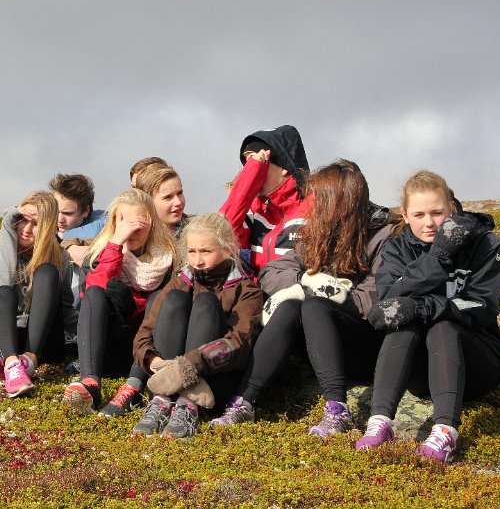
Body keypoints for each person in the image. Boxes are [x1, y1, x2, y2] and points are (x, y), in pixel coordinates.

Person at [210, 160, 394, 437]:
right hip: (319, 342)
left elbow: (371, 301)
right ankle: (244, 401)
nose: (313, 206)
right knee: (291, 305)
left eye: (320, 199)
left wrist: (325, 294)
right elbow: (272, 272)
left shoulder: (383, 236)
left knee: (315, 305)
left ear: (341, 202)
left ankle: (338, 410)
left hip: (364, 345)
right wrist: (304, 280)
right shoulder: (320, 232)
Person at [356, 170, 500, 463]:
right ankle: (379, 422)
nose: (429, 223)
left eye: (437, 213)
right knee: (403, 324)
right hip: (423, 371)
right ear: (405, 215)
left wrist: (425, 307)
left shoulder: (485, 244)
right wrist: (438, 254)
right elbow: (389, 302)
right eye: (419, 214)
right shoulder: (397, 247)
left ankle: (445, 431)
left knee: (444, 326)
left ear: (451, 208)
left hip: (478, 363)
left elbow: (482, 307)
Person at [129, 213, 264, 438]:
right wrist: (155, 361)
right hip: (165, 378)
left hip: (213, 383)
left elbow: (238, 344)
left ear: (227, 249)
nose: (197, 261)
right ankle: (162, 402)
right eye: (192, 251)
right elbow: (145, 332)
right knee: (174, 299)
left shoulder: (247, 290)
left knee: (205, 302)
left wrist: (189, 365)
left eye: (206, 251)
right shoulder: (179, 281)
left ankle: (188, 406)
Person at [62, 188, 179, 415]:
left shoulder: (167, 257)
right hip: (104, 348)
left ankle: (133, 387)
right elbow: (94, 290)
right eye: (124, 221)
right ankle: (90, 382)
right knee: (96, 292)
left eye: (138, 222)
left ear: (151, 223)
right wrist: (115, 243)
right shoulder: (100, 252)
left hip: (142, 354)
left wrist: (133, 306)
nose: (131, 230)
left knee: (159, 298)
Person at [0, 191, 74, 398]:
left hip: (40, 345)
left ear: (47, 227)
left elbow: (64, 309)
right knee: (4, 292)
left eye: (35, 224)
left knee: (47, 271)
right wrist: (8, 227)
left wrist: (83, 338)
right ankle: (12, 365)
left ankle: (28, 360)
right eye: (21, 220)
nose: (26, 229)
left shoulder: (59, 256)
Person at [218, 125, 310, 273]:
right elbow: (221, 235)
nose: (255, 173)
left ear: (284, 166)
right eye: (248, 166)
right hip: (260, 287)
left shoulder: (314, 206)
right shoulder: (256, 209)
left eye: (260, 164)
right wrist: (250, 176)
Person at [49, 173, 105, 351]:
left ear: (86, 211)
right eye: (55, 210)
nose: (59, 219)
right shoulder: (46, 226)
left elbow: (106, 223)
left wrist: (66, 239)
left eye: (67, 213)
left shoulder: (102, 222)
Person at [134, 165, 188, 237]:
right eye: (168, 197)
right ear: (148, 203)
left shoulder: (199, 232)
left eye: (179, 193)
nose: (178, 202)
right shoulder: (134, 238)